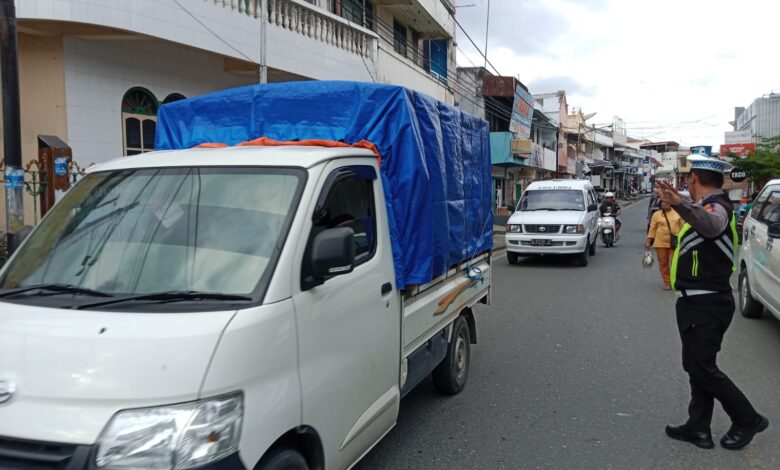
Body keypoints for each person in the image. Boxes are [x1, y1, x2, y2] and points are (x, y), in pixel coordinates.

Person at [655, 155, 768, 451]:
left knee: (701, 367)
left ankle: (748, 419)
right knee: (698, 366)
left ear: (693, 178)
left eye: (687, 182)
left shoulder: (716, 207)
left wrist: (679, 203)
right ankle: (698, 427)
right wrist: (679, 199)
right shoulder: (708, 204)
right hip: (700, 303)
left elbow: (713, 225)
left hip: (706, 304)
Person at [645, 201, 683, 290]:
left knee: (675, 262)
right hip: (660, 242)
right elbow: (652, 228)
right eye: (663, 203)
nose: (665, 205)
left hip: (674, 242)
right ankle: (667, 282)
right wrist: (649, 240)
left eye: (667, 203)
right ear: (661, 205)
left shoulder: (678, 213)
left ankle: (677, 281)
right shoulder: (656, 215)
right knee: (663, 263)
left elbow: (682, 226)